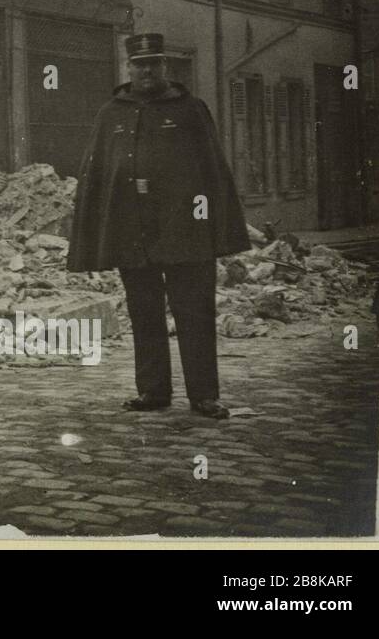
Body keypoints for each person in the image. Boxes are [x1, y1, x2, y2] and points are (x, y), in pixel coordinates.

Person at [67, 33, 250, 419]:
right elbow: (96, 174)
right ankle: (153, 391)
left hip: (185, 231)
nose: (146, 70)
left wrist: (213, 229)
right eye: (139, 64)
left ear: (165, 67)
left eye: (154, 63)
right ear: (128, 67)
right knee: (144, 313)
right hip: (134, 233)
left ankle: (204, 395)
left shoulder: (190, 109)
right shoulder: (111, 113)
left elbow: (214, 171)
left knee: (195, 313)